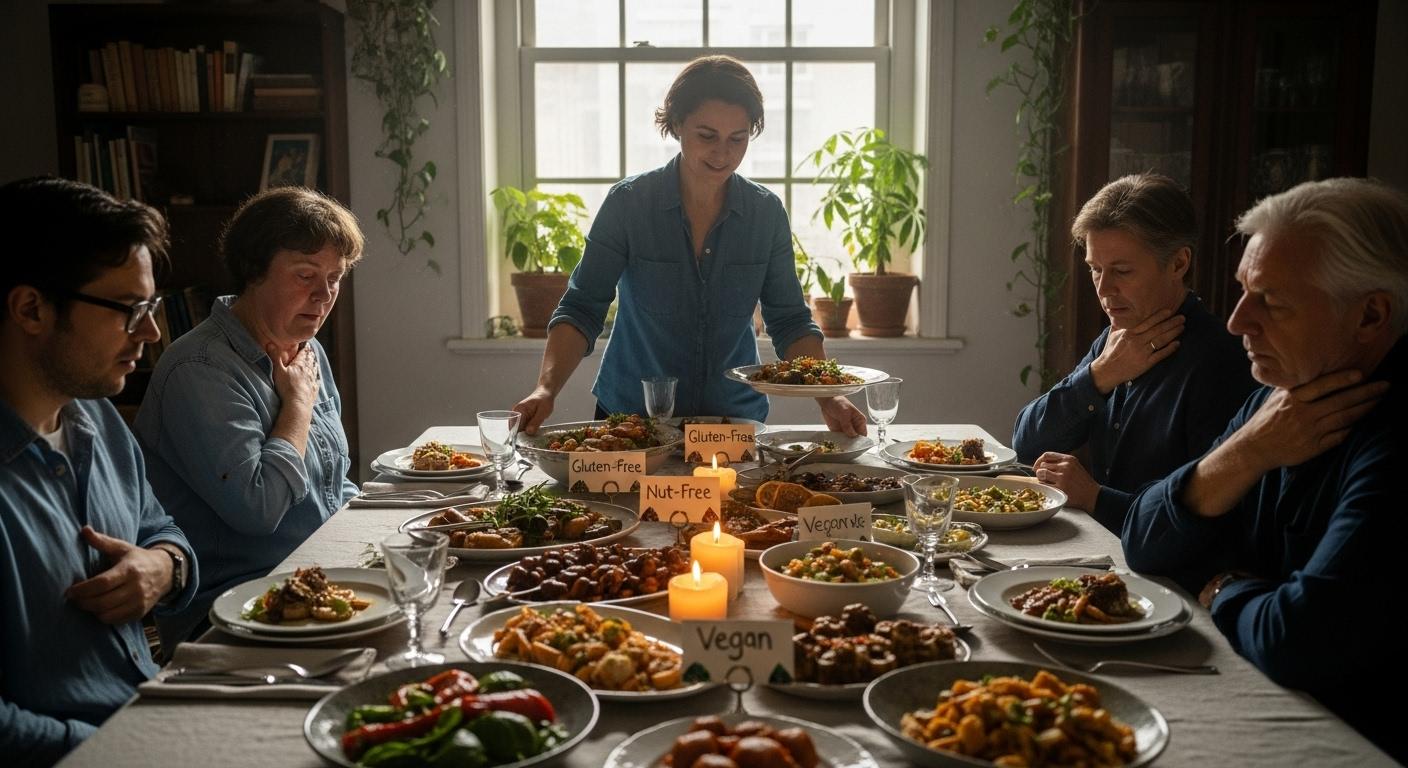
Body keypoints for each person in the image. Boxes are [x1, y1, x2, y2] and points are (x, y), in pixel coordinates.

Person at [1123, 178, 1405, 762]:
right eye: (1243, 292)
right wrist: (1247, 451)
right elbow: (1143, 540)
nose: (1236, 322)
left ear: (1371, 315)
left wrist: (1225, 587)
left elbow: (1299, 639)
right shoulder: (1281, 395)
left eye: (1272, 301)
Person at [513, 55, 866, 435]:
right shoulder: (629, 203)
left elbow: (790, 319)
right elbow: (582, 307)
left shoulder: (765, 213)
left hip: (732, 421)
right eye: (707, 135)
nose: (723, 153)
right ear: (678, 125)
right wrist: (545, 390)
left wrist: (831, 397)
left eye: (738, 138)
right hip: (631, 420)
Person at [0, 177, 198, 767]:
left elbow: (167, 533)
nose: (152, 332)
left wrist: (162, 568)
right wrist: (124, 751)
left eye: (152, 308)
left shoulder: (101, 423)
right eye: (130, 309)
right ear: (31, 309)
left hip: (153, 712)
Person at [134, 187, 361, 646]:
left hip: (317, 582)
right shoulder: (199, 369)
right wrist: (297, 406)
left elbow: (335, 488)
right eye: (305, 275)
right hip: (234, 609)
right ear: (254, 271)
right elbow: (258, 510)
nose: (324, 294)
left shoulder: (306, 349)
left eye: (335, 278)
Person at [1012, 174, 1256, 532]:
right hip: (1105, 549)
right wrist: (1099, 376)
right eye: (1095, 269)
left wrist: (1096, 496)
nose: (1104, 288)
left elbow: (1211, 524)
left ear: (1178, 263)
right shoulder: (1117, 339)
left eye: (1122, 271)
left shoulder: (1219, 362)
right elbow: (1027, 442)